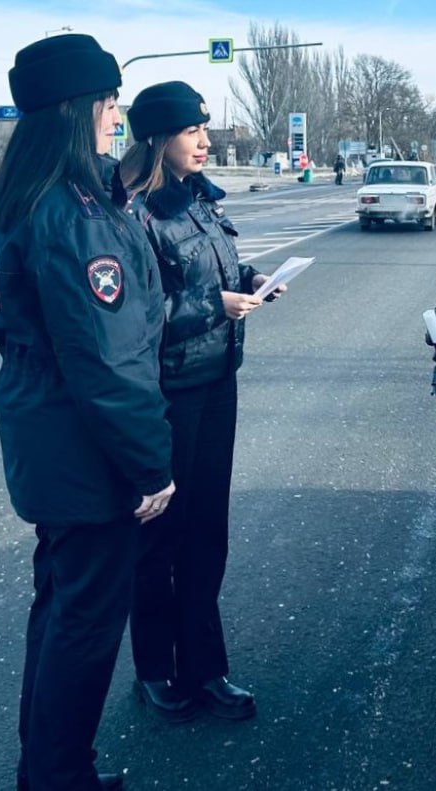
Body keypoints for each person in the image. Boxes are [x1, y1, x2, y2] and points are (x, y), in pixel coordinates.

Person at [0, 34, 175, 790]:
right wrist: (151, 465)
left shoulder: (19, 195)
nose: (115, 115)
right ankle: (61, 775)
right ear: (75, 109)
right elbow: (109, 360)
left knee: (60, 607)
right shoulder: (74, 211)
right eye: (107, 102)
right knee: (86, 625)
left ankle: (44, 767)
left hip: (44, 434)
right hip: (84, 452)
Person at [120, 81, 282, 724]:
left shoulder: (199, 200)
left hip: (216, 380)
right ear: (160, 137)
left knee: (207, 532)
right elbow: (135, 313)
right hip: (168, 392)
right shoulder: (134, 212)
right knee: (161, 538)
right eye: (193, 130)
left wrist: (251, 282)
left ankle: (205, 667)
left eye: (205, 129)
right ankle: (155, 671)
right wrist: (216, 305)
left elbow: (213, 273)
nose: (205, 141)